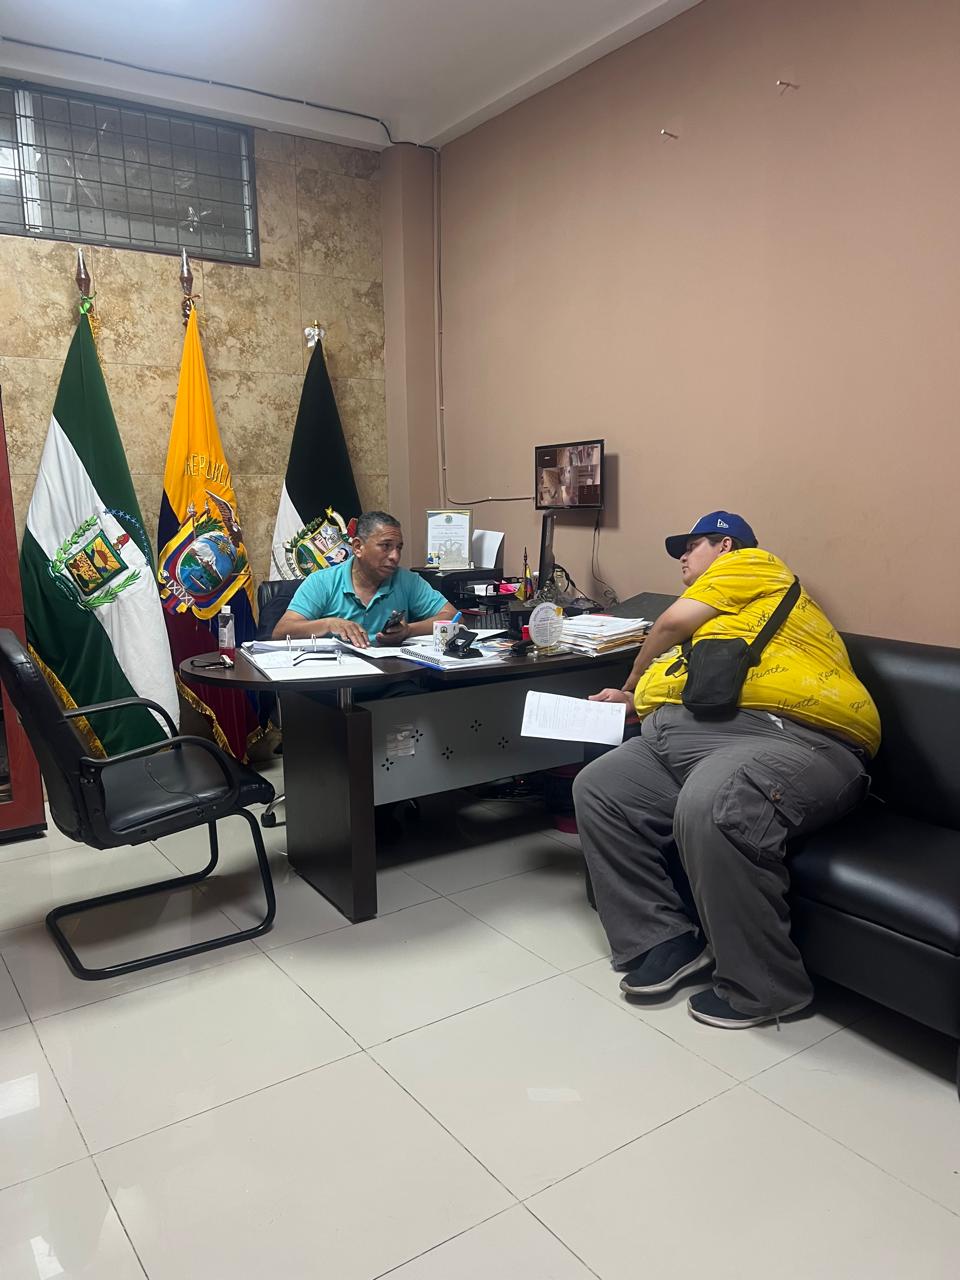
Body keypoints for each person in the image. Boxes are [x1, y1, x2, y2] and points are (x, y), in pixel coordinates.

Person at [574, 510, 880, 1029]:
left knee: (715, 801)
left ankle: (767, 989)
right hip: (686, 741)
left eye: (691, 546)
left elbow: (668, 624)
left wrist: (629, 684)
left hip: (791, 739)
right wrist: (633, 704)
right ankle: (665, 939)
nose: (682, 558)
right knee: (600, 788)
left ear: (725, 546)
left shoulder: (754, 565)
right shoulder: (722, 622)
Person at [272, 510, 456, 647]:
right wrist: (328, 624)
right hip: (336, 678)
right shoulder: (321, 582)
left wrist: (408, 630)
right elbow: (281, 632)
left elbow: (454, 617)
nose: (395, 556)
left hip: (390, 676)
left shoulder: (407, 581)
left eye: (398, 548)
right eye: (386, 546)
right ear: (358, 547)